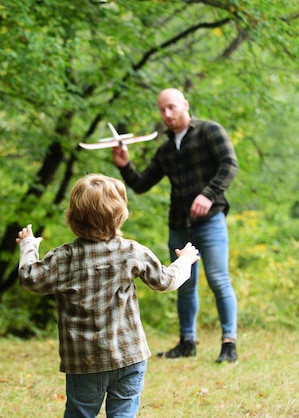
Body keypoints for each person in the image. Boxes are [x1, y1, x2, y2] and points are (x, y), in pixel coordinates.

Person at [16, 173, 200, 418]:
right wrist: (185, 261)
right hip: (129, 356)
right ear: (120, 215)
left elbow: (29, 277)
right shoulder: (132, 251)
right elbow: (166, 281)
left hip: (84, 361)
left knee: (80, 413)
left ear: (73, 217)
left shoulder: (63, 257)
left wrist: (29, 245)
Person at [111, 88, 239, 363]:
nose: (167, 114)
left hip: (211, 221)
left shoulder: (209, 131)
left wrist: (209, 194)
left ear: (185, 105)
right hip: (180, 225)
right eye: (162, 110)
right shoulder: (166, 149)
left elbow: (229, 164)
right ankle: (187, 342)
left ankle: (229, 344)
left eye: (171, 107)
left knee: (218, 280)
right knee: (183, 281)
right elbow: (142, 184)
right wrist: (125, 164)